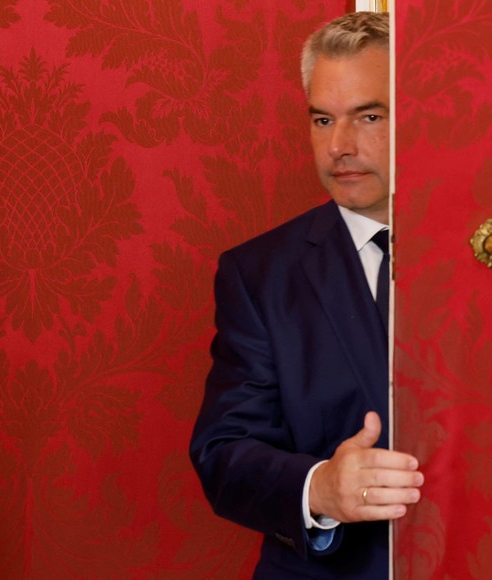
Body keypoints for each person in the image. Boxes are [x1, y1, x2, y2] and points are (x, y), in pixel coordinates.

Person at [189, 12, 423, 579]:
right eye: (322, 119)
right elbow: (224, 452)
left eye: (369, 116)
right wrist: (320, 489)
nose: (339, 145)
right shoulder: (259, 273)